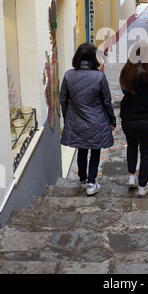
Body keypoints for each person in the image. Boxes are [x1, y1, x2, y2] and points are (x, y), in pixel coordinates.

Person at [60, 43, 116, 196]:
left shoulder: (68, 75)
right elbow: (106, 101)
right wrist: (112, 119)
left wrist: (67, 117)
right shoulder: (99, 77)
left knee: (82, 149)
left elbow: (63, 99)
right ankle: (91, 182)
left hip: (76, 120)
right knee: (95, 151)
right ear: (93, 58)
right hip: (96, 121)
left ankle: (82, 177)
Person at [120, 42, 148, 196]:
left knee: (132, 145)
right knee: (147, 152)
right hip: (147, 118)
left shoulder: (127, 70)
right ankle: (142, 186)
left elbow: (124, 88)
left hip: (129, 118)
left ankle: (132, 176)